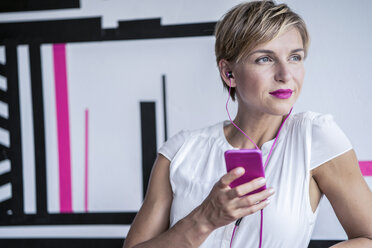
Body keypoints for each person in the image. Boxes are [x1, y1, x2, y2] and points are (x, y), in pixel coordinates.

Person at [123, 1, 372, 247]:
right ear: (228, 73)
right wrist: (202, 220)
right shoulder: (180, 150)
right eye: (265, 59)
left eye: (295, 57)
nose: (286, 74)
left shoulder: (315, 137)